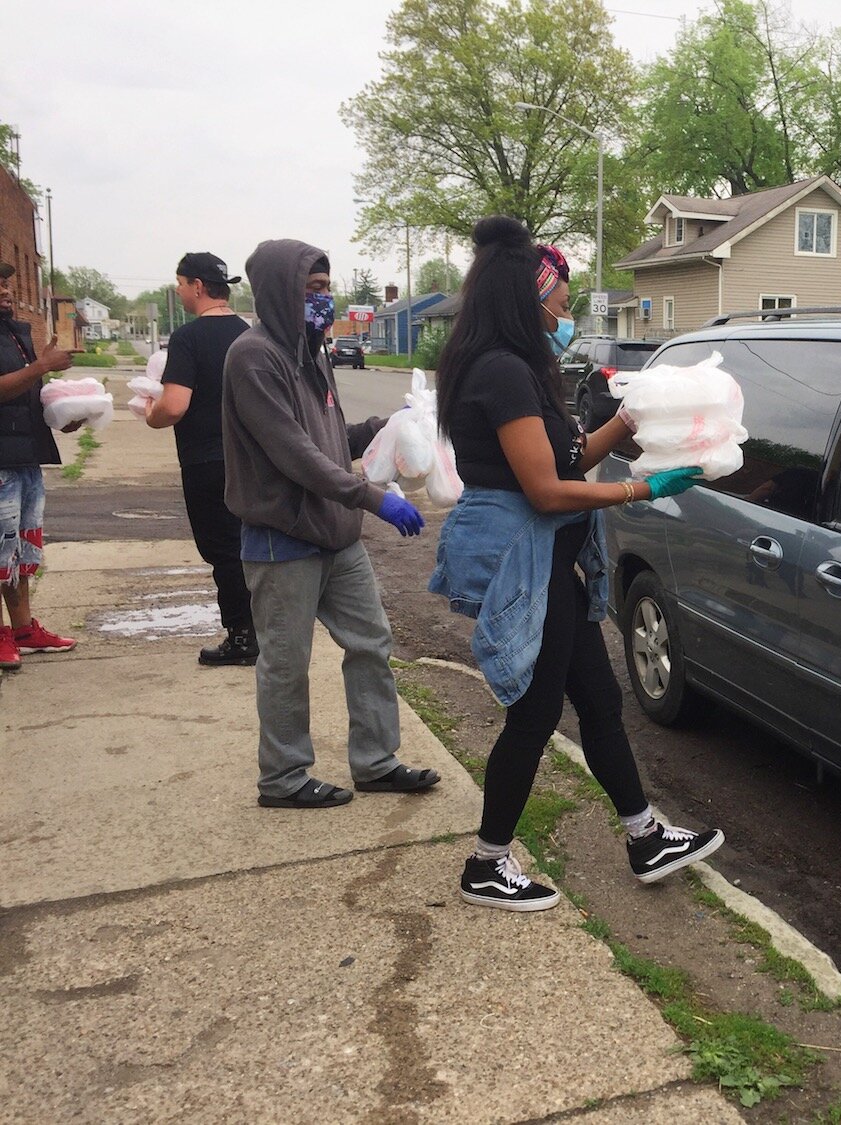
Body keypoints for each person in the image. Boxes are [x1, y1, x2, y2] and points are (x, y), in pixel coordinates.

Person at [429, 217, 720, 911]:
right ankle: (486, 864)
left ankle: (645, 836)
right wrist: (641, 488)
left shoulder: (518, 367)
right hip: (527, 562)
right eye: (560, 299)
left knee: (599, 700)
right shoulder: (499, 371)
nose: (566, 311)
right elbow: (545, 489)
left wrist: (628, 419)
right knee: (533, 717)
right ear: (528, 298)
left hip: (554, 561)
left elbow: (563, 461)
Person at [222, 239, 439, 809]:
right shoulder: (254, 357)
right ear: (279, 293)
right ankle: (284, 778)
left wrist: (380, 426)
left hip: (336, 535)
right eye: (312, 290)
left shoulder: (313, 352)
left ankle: (376, 761)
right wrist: (373, 498)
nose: (325, 299)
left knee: (371, 642)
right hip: (281, 538)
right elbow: (293, 453)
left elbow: (328, 438)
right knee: (287, 663)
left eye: (327, 287)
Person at [145, 252, 256, 665]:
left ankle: (243, 638)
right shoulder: (249, 334)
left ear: (196, 286)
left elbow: (174, 405)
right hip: (252, 460)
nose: (177, 290)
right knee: (253, 545)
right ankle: (266, 626)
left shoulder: (188, 339)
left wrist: (149, 413)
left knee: (224, 551)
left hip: (207, 462)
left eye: (179, 282)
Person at [0, 261, 80, 672]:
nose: (6, 290)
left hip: (25, 454)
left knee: (20, 549)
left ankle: (24, 629)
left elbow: (32, 389)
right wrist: (40, 367)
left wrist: (66, 415)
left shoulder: (16, 333)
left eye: (7, 283)